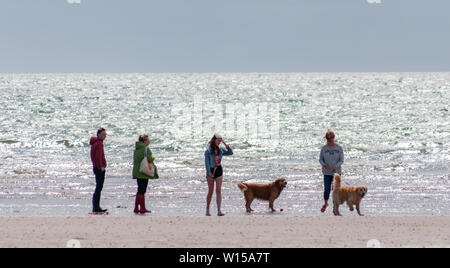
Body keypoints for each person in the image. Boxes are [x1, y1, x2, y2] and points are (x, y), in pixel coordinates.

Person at [204, 133, 233, 216]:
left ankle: (219, 210)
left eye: (220, 141)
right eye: (218, 140)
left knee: (218, 190)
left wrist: (225, 144)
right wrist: (209, 172)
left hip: (219, 170)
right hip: (211, 171)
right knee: (210, 191)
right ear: (214, 140)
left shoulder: (221, 149)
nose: (219, 142)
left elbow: (230, 153)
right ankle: (207, 210)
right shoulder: (208, 151)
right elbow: (207, 163)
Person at [132, 134, 159, 214]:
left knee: (139, 190)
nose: (149, 141)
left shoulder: (136, 148)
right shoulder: (146, 149)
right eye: (147, 140)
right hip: (143, 171)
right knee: (142, 190)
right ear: (144, 141)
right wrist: (153, 157)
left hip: (137, 171)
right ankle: (142, 208)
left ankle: (136, 208)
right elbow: (150, 159)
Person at [319, 129, 344, 213]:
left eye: (331, 139)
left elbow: (341, 160)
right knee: (327, 189)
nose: (330, 141)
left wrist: (336, 166)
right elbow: (320, 159)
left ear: (334, 138)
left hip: (336, 173)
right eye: (328, 139)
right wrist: (324, 164)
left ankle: (335, 207)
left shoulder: (339, 148)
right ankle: (326, 203)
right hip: (326, 173)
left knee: (335, 190)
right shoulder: (324, 148)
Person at [89, 128, 108, 213]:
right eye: (103, 134)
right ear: (99, 135)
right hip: (98, 168)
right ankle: (96, 207)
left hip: (96, 167)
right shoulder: (99, 143)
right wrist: (101, 166)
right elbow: (98, 157)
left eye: (105, 134)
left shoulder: (95, 143)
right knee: (99, 188)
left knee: (98, 187)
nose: (105, 136)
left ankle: (96, 206)